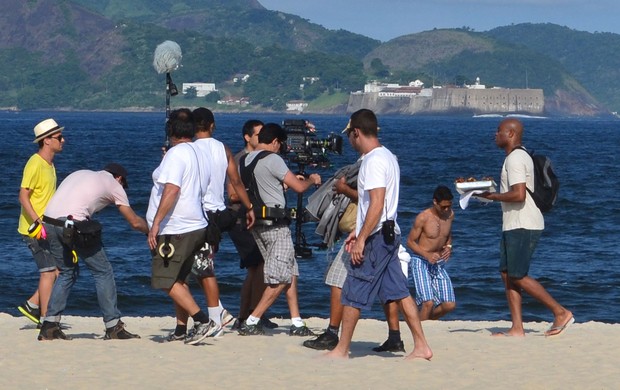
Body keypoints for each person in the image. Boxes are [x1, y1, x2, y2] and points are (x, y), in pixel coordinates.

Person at [325, 109, 432, 360]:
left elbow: (376, 203)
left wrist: (362, 238)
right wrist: (357, 231)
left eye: (350, 136)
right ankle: (421, 345)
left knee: (353, 288)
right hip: (388, 233)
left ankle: (341, 349)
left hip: (377, 238)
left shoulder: (372, 161)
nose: (350, 141)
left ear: (356, 133)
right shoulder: (389, 156)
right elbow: (378, 207)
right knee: (399, 292)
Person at [164, 108, 255, 341]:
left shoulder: (190, 151)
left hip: (196, 215)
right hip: (219, 214)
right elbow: (235, 181)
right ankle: (201, 319)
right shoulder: (222, 149)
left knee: (196, 270)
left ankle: (215, 317)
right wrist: (249, 207)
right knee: (200, 267)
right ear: (212, 125)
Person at [478, 118, 573, 337]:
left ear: (511, 134)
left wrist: (490, 196)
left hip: (523, 223)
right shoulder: (517, 157)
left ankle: (560, 312)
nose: (495, 134)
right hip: (513, 223)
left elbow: (518, 194)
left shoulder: (515, 159)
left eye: (499, 131)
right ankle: (517, 327)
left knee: (518, 274)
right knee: (506, 273)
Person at [37, 163, 148, 340]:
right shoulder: (113, 184)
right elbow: (134, 222)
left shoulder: (81, 172)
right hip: (71, 224)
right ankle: (113, 327)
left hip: (49, 222)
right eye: (123, 184)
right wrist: (151, 231)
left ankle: (49, 325)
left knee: (66, 272)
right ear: (119, 178)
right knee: (103, 272)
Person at [237, 123, 321, 336]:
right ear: (274, 141)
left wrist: (280, 186)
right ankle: (252, 320)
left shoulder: (246, 160)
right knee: (281, 278)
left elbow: (261, 186)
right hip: (276, 225)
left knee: (290, 272)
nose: (280, 148)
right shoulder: (273, 159)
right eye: (280, 145)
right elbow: (300, 188)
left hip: (258, 224)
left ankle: (297, 322)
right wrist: (312, 179)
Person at [147, 109, 221, 345]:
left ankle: (201, 320)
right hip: (198, 224)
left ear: (171, 132)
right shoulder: (199, 153)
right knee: (180, 279)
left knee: (164, 278)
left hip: (177, 227)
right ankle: (181, 328)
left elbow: (172, 189)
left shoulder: (176, 155)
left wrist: (156, 223)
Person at [227, 119, 278, 330]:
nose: (262, 138)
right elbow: (232, 195)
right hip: (241, 219)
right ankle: (251, 314)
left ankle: (249, 314)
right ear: (248, 137)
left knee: (256, 268)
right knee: (258, 267)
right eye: (258, 134)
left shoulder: (260, 160)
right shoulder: (240, 160)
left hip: (255, 219)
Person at [17, 119, 65, 325]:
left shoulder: (50, 164)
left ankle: (33, 305)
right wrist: (37, 222)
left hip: (48, 226)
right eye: (58, 137)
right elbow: (23, 195)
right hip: (34, 229)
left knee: (58, 270)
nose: (63, 140)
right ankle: (47, 320)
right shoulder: (34, 163)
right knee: (48, 272)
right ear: (46, 141)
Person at [303, 175, 357, 350]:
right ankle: (396, 336)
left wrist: (343, 189)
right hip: (377, 232)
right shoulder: (386, 163)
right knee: (393, 289)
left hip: (363, 233)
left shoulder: (372, 162)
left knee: (336, 279)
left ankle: (333, 333)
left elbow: (370, 197)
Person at [407, 185, 456, 320]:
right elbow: (410, 242)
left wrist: (449, 246)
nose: (446, 209)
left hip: (438, 262)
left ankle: (425, 322)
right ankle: (421, 331)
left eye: (449, 206)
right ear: (435, 202)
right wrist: (427, 255)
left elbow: (448, 234)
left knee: (449, 305)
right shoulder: (423, 217)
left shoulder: (450, 214)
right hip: (421, 260)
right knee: (428, 303)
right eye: (443, 207)